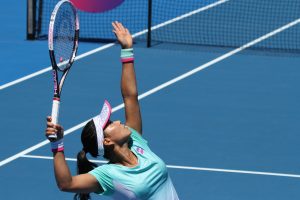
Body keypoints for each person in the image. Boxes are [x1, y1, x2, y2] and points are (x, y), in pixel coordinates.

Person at [45, 21, 179, 200]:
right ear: (107, 141)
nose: (117, 121)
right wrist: (57, 145)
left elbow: (130, 96)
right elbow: (66, 184)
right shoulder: (107, 175)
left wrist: (127, 51)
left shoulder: (136, 141)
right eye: (109, 123)